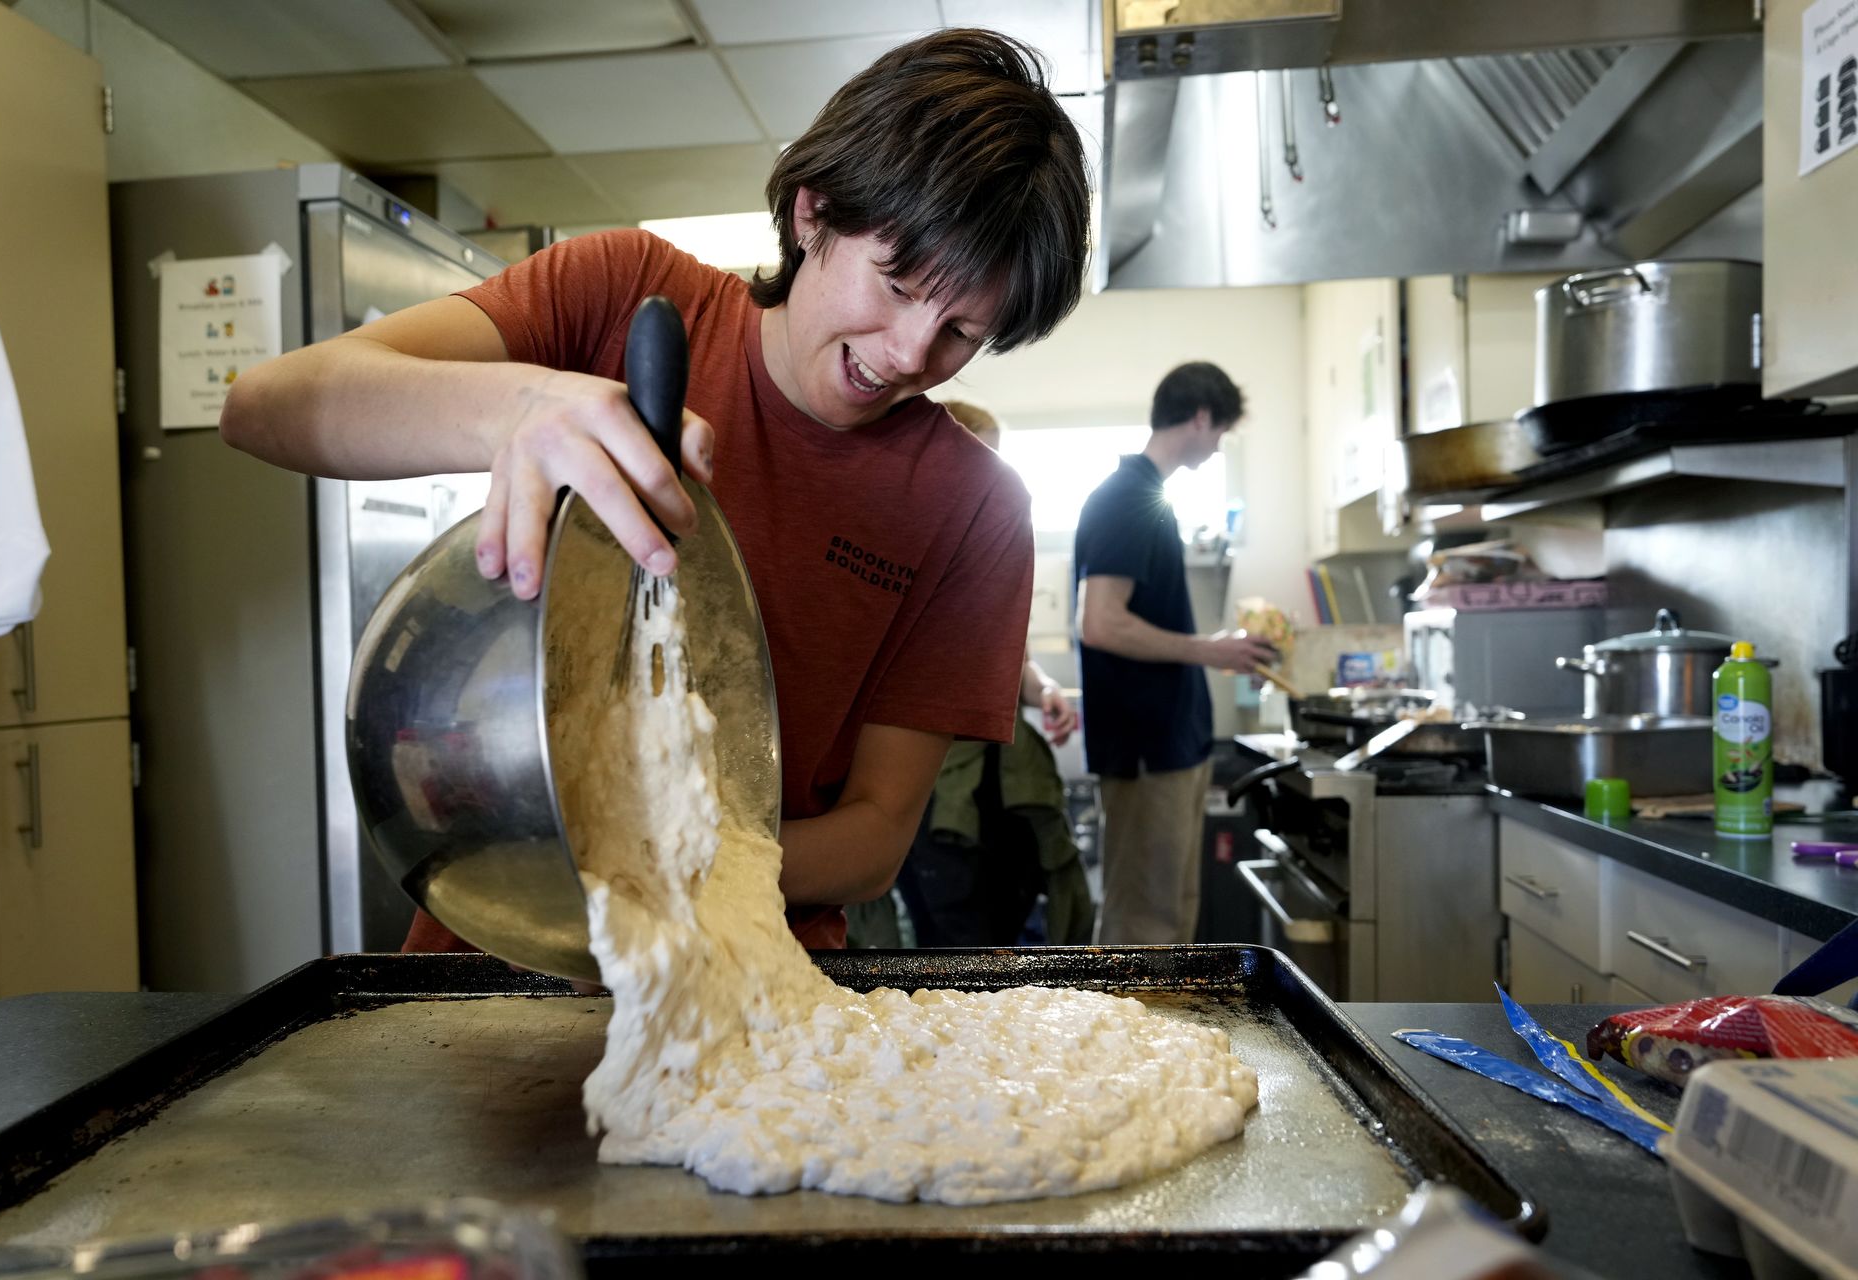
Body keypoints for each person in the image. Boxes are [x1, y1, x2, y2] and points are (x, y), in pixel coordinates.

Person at [220, 29, 1091, 955]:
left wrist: (658, 862)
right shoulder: (622, 292)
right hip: (504, 936)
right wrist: (523, 404)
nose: (911, 355)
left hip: (754, 972)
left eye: (961, 331)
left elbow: (875, 837)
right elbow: (264, 408)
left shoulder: (975, 510)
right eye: (899, 283)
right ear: (815, 214)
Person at [847, 398, 1093, 949]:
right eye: (977, 463)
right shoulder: (897, 555)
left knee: (1004, 934)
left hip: (1003, 790)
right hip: (933, 789)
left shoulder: (993, 549)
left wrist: (1046, 690)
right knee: (951, 941)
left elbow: (1014, 659)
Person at [1072, 362, 1278, 944]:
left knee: (1169, 918)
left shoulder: (1150, 498)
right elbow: (1101, 623)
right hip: (1145, 747)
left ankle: (1158, 1037)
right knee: (1143, 927)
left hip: (1172, 745)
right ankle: (1125, 1038)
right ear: (1201, 416)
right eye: (1220, 432)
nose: (1217, 447)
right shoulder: (1125, 498)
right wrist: (1210, 651)